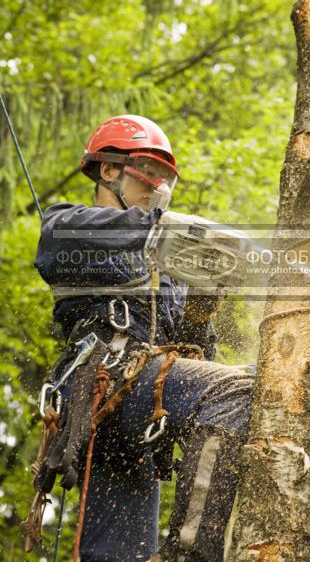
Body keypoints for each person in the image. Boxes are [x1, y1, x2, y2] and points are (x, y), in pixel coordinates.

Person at [34, 115, 254, 561]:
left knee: (121, 557)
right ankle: (189, 555)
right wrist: (171, 230)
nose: (157, 183)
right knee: (241, 388)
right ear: (109, 170)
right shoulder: (72, 227)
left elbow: (197, 360)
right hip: (106, 380)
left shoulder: (169, 268)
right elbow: (61, 242)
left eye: (164, 176)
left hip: (142, 417)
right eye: (148, 171)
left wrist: (200, 310)